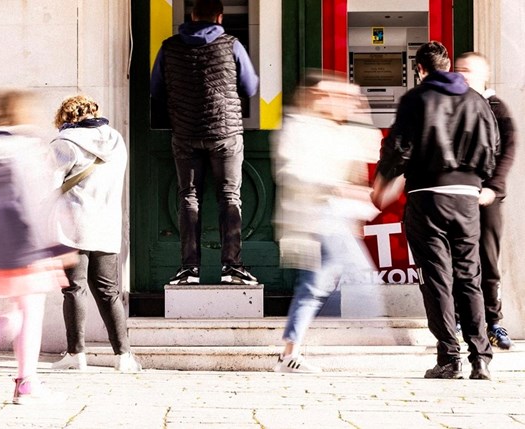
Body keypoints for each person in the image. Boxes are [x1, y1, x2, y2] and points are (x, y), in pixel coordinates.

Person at [372, 41, 498, 380]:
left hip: (427, 197)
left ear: (420, 68)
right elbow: (492, 146)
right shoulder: (475, 100)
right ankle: (481, 357)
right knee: (469, 276)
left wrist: (383, 180)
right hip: (466, 198)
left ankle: (449, 358)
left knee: (437, 279)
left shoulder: (416, 99)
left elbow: (399, 147)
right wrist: (476, 180)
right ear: (447, 66)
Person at [0, 90, 75, 404]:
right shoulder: (28, 149)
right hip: (31, 245)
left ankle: (22, 378)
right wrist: (58, 246)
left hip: (0, 246)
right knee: (25, 314)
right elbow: (40, 202)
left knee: (20, 310)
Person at [272, 72, 381, 373]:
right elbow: (292, 172)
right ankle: (371, 331)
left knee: (317, 283)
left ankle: (290, 353)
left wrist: (361, 113)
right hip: (314, 217)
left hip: (335, 218)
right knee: (344, 279)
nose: (344, 102)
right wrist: (331, 187)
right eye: (338, 97)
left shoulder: (336, 129)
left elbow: (370, 151)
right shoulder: (298, 126)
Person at [151, 0, 259, 285]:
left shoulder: (169, 46)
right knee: (229, 197)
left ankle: (189, 269)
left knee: (188, 197)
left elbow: (156, 90)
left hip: (185, 133)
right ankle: (232, 267)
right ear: (219, 17)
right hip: (226, 135)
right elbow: (250, 87)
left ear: (192, 15)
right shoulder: (232, 44)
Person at [50, 94, 142, 372]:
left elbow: (48, 185)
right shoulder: (117, 140)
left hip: (72, 225)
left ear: (65, 117)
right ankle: (123, 356)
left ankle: (76, 355)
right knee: (109, 291)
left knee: (74, 289)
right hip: (106, 223)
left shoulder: (64, 144)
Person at [455, 52, 517, 350]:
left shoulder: (496, 106)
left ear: (484, 75)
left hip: (487, 196)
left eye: (469, 70)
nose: (463, 75)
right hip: (458, 194)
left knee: (487, 260)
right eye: (459, 70)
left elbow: (509, 149)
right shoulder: (451, 103)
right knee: (457, 259)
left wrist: (494, 188)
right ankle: (457, 319)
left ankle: (493, 322)